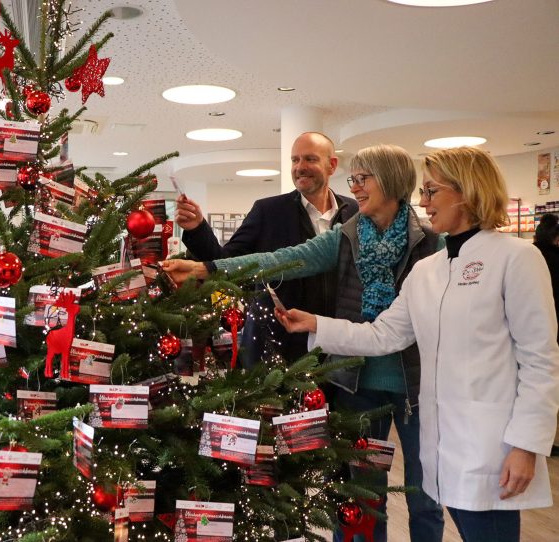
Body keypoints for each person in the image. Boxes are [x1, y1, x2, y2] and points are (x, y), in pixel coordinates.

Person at [275, 147, 559, 542]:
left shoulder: (518, 258)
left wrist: (527, 445)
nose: (423, 202)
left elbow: (540, 360)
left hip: (493, 446)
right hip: (441, 442)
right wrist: (315, 323)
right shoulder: (429, 270)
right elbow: (383, 334)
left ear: (466, 192)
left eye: (431, 190)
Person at [163, 144, 445, 542]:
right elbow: (282, 259)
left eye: (364, 179)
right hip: (356, 383)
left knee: (426, 496)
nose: (357, 188)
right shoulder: (346, 236)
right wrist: (205, 267)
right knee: (362, 496)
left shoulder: (433, 246)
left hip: (417, 387)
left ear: (392, 182)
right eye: (355, 180)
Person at [174, 132, 357, 366]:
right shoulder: (269, 211)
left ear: (332, 165)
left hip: (339, 346)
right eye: (295, 160)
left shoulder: (354, 213)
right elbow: (226, 260)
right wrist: (198, 228)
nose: (300, 167)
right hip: (277, 351)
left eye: (310, 159)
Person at [533, 212, 559, 342]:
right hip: (553, 316)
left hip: (530, 318)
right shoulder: (555, 257)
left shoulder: (526, 255)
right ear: (556, 238)